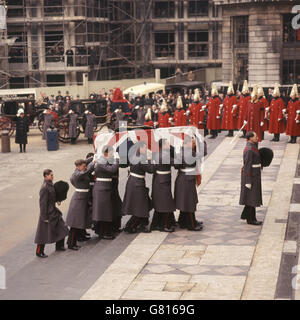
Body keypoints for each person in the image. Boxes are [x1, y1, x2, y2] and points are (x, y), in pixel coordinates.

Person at [34, 169, 69, 258]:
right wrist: (44, 217)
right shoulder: (45, 188)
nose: (53, 177)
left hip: (53, 211)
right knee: (43, 233)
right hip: (47, 214)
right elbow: (42, 204)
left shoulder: (50, 185)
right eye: (51, 175)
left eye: (53, 175)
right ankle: (39, 251)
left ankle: (59, 246)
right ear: (46, 176)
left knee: (62, 227)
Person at [123, 141, 154, 233]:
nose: (146, 149)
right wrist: (152, 160)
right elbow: (151, 169)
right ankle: (130, 226)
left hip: (134, 182)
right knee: (140, 206)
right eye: (144, 148)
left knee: (145, 204)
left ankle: (143, 223)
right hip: (137, 184)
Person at [66, 158, 95, 250]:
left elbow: (86, 162)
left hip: (82, 198)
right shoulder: (78, 174)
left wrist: (94, 156)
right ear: (78, 167)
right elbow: (86, 171)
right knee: (75, 223)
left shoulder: (79, 170)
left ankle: (78, 238)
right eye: (83, 166)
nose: (85, 167)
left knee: (80, 221)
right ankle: (71, 243)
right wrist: (94, 162)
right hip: (79, 200)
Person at [174, 136, 202, 231]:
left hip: (182, 177)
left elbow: (176, 165)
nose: (194, 145)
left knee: (184, 200)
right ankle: (191, 224)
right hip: (187, 179)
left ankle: (183, 221)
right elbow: (203, 153)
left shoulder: (180, 152)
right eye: (193, 143)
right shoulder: (191, 153)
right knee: (189, 201)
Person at [93, 146, 119, 239]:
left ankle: (106, 231)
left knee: (106, 211)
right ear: (105, 154)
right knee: (104, 212)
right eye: (111, 153)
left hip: (105, 188)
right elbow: (112, 169)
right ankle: (104, 233)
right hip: (102, 189)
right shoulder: (101, 161)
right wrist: (116, 160)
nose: (112, 155)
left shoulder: (103, 160)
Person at [150, 139, 176, 232]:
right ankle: (164, 225)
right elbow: (177, 162)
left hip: (159, 179)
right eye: (168, 143)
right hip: (163, 180)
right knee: (166, 203)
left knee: (161, 203)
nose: (169, 145)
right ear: (164, 145)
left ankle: (156, 223)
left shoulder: (158, 153)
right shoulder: (164, 155)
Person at [239, 131, 263, 225]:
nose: (257, 138)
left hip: (255, 175)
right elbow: (247, 165)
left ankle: (250, 217)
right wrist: (248, 181)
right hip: (251, 176)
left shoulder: (253, 146)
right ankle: (251, 219)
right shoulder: (249, 149)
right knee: (251, 199)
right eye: (255, 136)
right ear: (250, 138)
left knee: (252, 198)